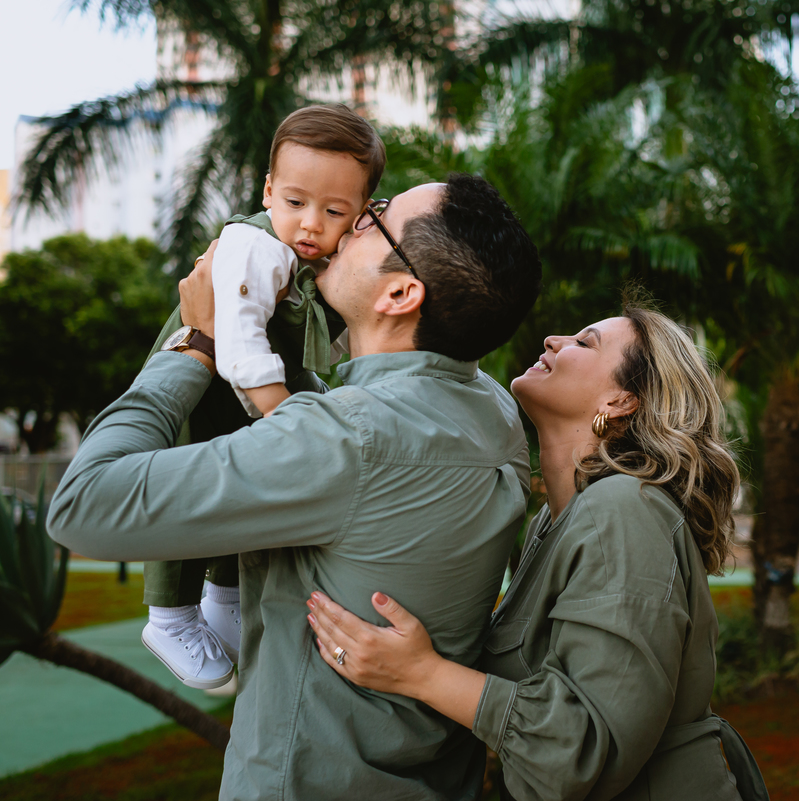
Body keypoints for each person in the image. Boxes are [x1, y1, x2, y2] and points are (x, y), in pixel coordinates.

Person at [48, 174, 543, 800]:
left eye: (375, 217)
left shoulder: (348, 437)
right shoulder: (490, 411)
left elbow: (82, 504)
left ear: (399, 292)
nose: (353, 218)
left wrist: (194, 343)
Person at [306, 299, 770, 801]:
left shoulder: (624, 509)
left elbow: (584, 749)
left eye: (584, 342)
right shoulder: (554, 519)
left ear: (621, 401)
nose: (553, 340)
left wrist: (423, 674)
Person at [140, 103, 384, 691]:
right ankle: (168, 616)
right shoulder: (257, 246)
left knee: (244, 496)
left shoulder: (314, 263)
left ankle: (225, 594)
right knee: (190, 496)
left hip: (241, 400)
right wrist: (286, 417)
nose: (308, 224)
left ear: (359, 217)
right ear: (269, 190)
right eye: (295, 202)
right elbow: (241, 344)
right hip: (204, 389)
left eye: (334, 212)